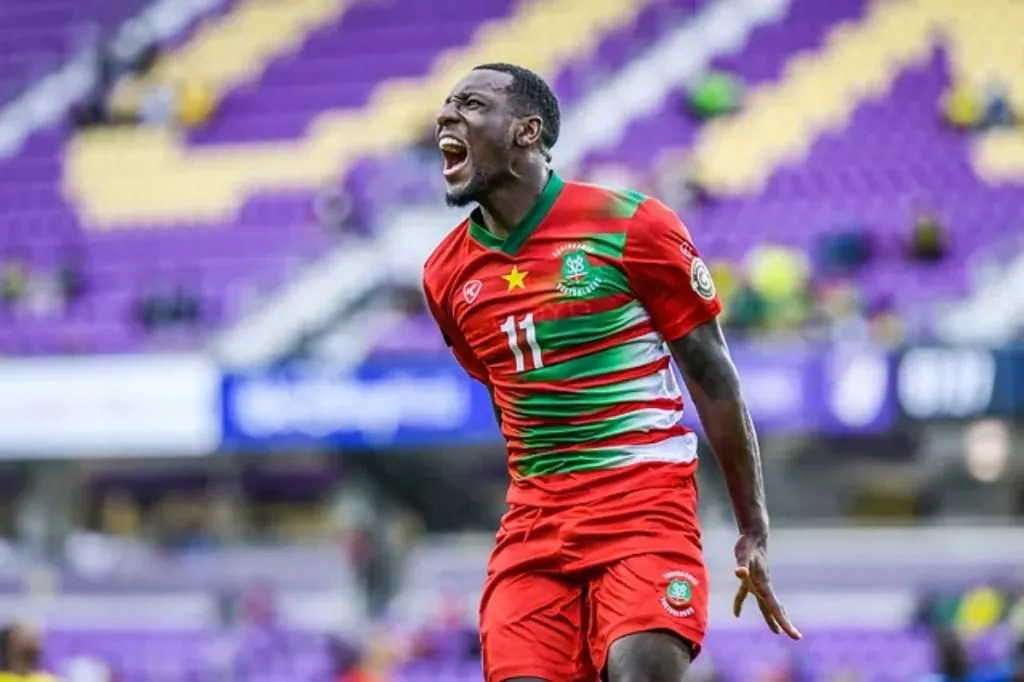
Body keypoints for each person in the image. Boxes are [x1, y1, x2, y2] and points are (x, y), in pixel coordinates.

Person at [422, 62, 800, 682]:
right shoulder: (445, 275)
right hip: (535, 528)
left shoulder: (630, 225)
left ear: (526, 130)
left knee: (641, 670)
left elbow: (713, 375)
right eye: (444, 105)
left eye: (469, 103)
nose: (445, 116)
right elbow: (506, 396)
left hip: (643, 509)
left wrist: (752, 527)